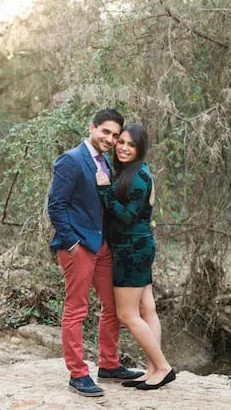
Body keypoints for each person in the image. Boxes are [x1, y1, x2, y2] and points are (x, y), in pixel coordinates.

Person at [47, 109, 145, 397]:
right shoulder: (71, 160)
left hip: (103, 247)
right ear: (92, 127)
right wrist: (72, 243)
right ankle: (78, 374)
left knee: (113, 306)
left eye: (115, 136)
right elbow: (56, 206)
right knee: (76, 309)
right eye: (106, 132)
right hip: (77, 247)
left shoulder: (105, 162)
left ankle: (109, 364)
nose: (110, 139)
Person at [96, 124, 176, 390]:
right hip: (137, 246)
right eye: (122, 142)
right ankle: (153, 369)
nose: (124, 148)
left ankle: (163, 367)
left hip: (131, 249)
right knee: (146, 309)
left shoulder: (139, 176)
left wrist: (105, 191)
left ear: (139, 150)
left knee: (127, 314)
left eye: (131, 145)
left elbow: (128, 216)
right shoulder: (129, 172)